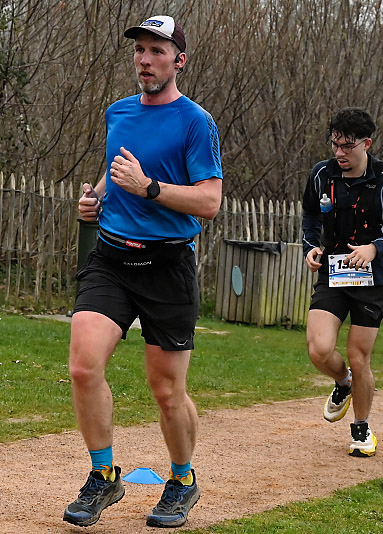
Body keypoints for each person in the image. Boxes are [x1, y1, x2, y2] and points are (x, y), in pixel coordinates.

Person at [63, 15, 222, 528]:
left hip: (167, 266)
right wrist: (96, 198)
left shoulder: (196, 122)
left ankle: (182, 480)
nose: (145, 60)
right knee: (84, 366)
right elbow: (116, 173)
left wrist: (149, 188)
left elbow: (209, 201)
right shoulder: (118, 112)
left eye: (157, 51)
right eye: (140, 50)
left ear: (179, 61)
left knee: (167, 391)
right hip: (111, 259)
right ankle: (104, 476)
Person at [301, 108, 383, 457]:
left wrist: (376, 248)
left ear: (366, 144)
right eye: (335, 144)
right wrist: (311, 247)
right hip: (332, 273)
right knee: (319, 349)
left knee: (359, 356)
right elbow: (310, 214)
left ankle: (362, 428)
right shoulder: (321, 175)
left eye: (347, 146)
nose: (339, 152)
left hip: (371, 279)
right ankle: (343, 382)